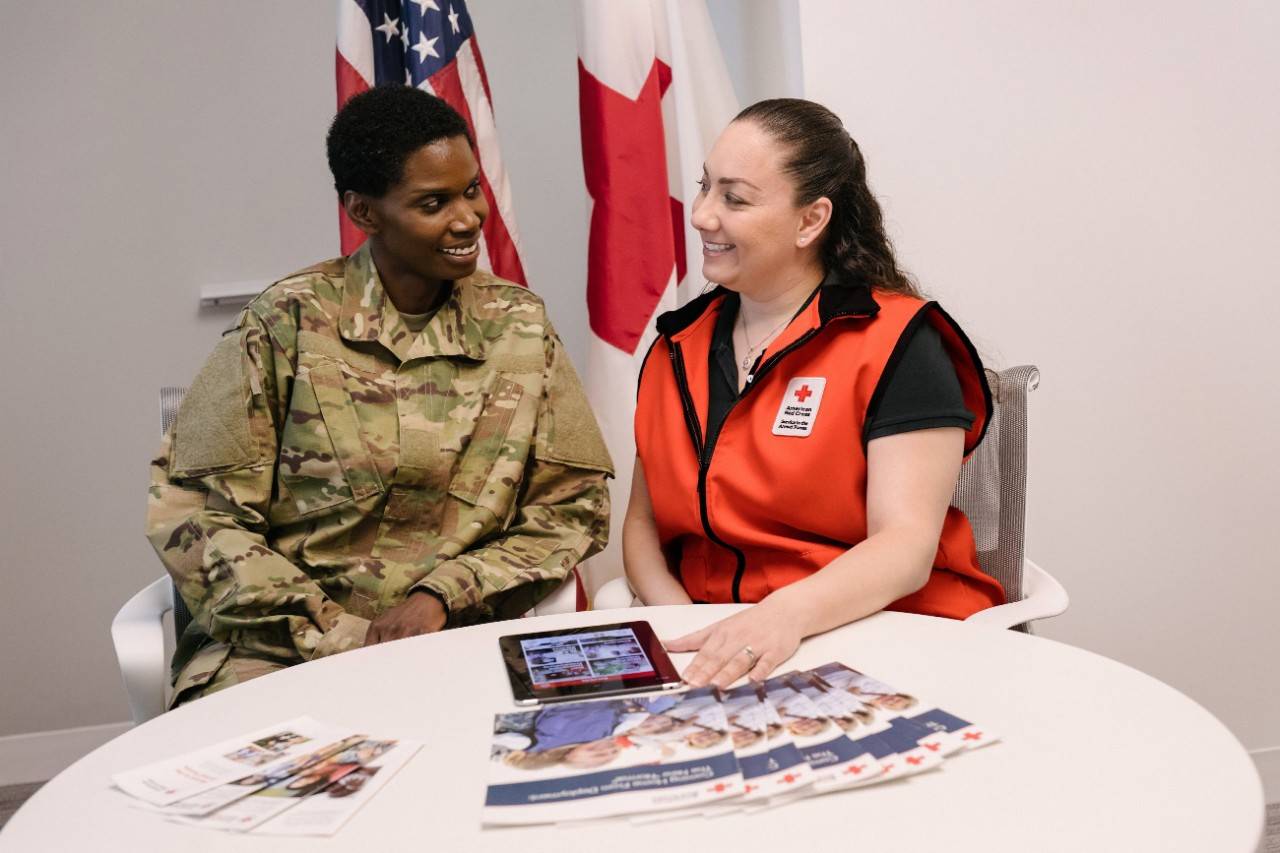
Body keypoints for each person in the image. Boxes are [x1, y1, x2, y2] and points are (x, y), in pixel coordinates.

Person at [147, 85, 613, 705]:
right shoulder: (286, 322)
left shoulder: (520, 326)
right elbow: (199, 516)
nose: (468, 218)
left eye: (471, 189)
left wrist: (444, 593)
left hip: (460, 634)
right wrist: (342, 635)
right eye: (432, 202)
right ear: (364, 212)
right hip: (282, 649)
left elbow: (571, 509)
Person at [624, 98, 1004, 690]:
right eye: (705, 188)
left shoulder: (897, 341)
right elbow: (644, 527)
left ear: (810, 221)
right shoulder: (677, 347)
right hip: (722, 644)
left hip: (886, 633)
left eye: (735, 198)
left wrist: (778, 620)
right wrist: (682, 631)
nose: (701, 215)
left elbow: (904, 547)